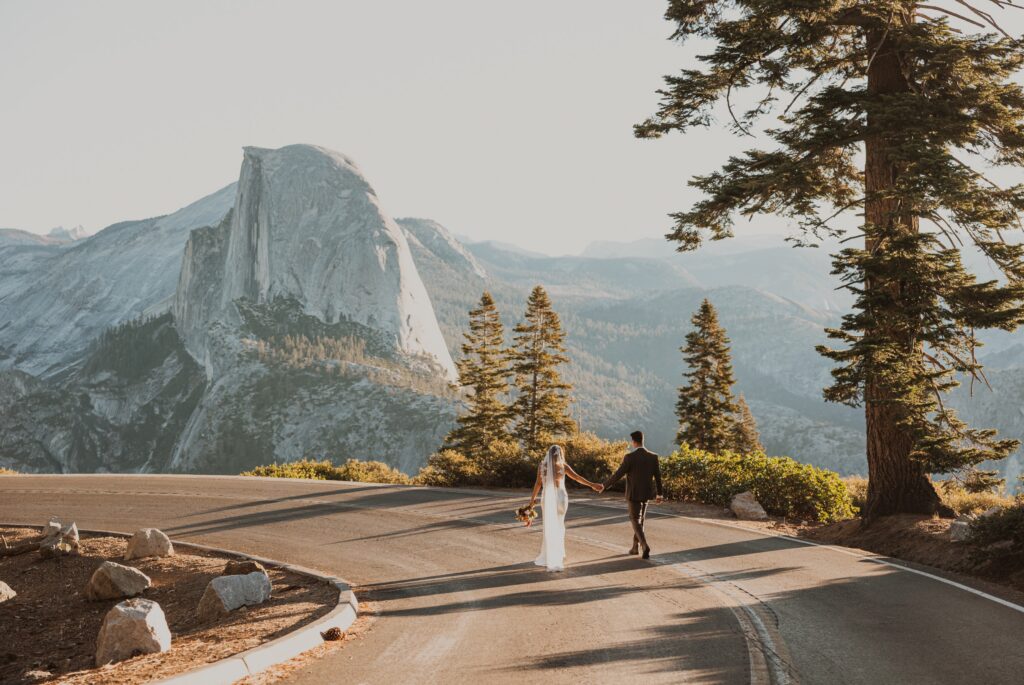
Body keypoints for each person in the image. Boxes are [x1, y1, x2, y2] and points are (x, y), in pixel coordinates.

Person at [527, 444, 601, 571]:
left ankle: (549, 554)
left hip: (547, 498)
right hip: (561, 498)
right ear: (560, 454)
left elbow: (538, 484)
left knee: (549, 526)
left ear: (548, 455)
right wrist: (592, 485)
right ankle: (558, 553)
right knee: (559, 525)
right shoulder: (563, 466)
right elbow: (578, 478)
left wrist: (532, 500)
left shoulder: (542, 466)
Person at [597, 430, 663, 559]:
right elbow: (658, 477)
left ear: (633, 442)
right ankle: (634, 547)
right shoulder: (653, 457)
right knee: (640, 521)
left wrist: (604, 485)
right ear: (642, 440)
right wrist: (659, 494)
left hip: (633, 494)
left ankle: (644, 545)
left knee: (635, 520)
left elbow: (618, 474)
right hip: (646, 494)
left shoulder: (629, 457)